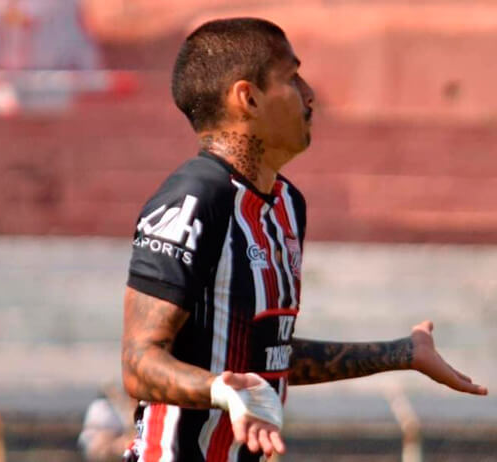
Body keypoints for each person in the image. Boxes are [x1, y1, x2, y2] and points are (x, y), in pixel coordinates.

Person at [120, 18, 488, 462]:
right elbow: (139, 362)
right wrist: (220, 390)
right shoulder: (193, 199)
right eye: (292, 77)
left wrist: (403, 353)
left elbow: (265, 354)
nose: (309, 93)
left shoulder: (287, 204)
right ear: (248, 98)